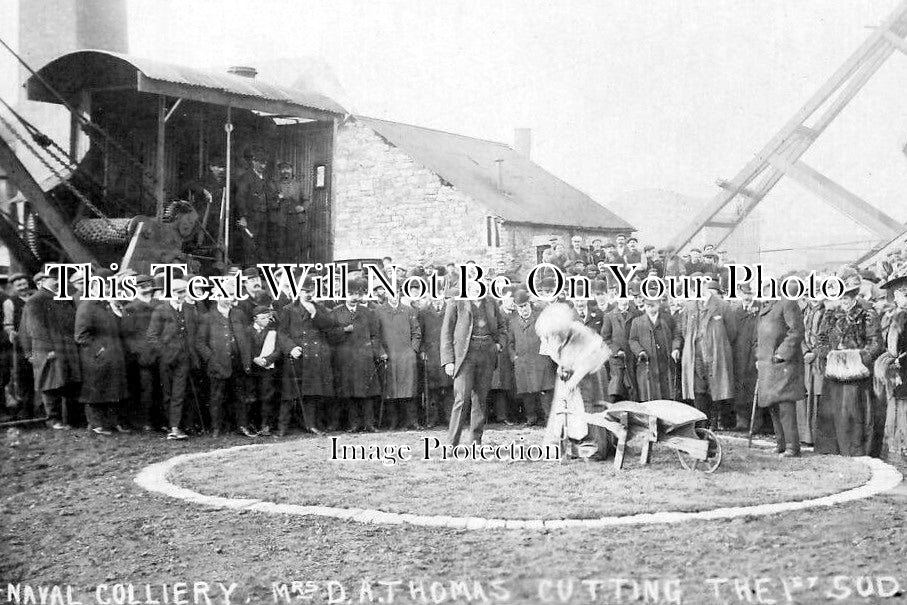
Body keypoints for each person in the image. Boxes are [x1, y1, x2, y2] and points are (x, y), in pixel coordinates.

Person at [814, 269, 883, 457]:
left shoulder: (867, 314)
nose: (844, 302)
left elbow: (876, 343)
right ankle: (832, 450)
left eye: (848, 297)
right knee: (833, 412)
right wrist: (827, 354)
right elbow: (821, 338)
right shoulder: (830, 314)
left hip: (856, 375)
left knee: (854, 414)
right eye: (841, 297)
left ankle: (856, 451)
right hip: (834, 373)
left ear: (854, 295)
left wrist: (858, 358)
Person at [538, 302, 612, 460]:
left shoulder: (579, 332)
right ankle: (568, 444)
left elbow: (587, 363)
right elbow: (557, 355)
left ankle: (596, 448)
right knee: (564, 407)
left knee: (590, 406)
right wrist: (562, 367)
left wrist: (572, 383)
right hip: (569, 372)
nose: (558, 335)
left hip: (592, 371)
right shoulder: (549, 334)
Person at [441, 280, 504, 445]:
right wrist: (448, 360)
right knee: (461, 398)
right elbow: (446, 333)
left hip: (486, 355)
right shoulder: (456, 303)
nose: (476, 290)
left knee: (480, 399)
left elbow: (502, 326)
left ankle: (476, 440)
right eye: (471, 287)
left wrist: (498, 344)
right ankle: (452, 443)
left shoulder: (491, 303)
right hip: (464, 357)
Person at [276, 278, 336, 436]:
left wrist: (314, 313)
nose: (307, 294)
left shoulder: (320, 308)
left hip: (314, 357)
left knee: (311, 394)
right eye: (303, 291)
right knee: (289, 394)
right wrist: (291, 348)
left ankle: (311, 425)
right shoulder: (288, 309)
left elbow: (329, 326)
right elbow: (282, 333)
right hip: (297, 355)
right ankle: (282, 427)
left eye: (310, 291)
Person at [25, 267, 82, 430]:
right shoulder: (36, 299)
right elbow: (36, 328)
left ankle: (72, 418)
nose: (57, 281)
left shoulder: (63, 297)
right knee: (51, 384)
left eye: (59, 278)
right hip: (50, 348)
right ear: (43, 281)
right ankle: (53, 419)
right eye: (53, 278)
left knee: (69, 381)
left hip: (67, 346)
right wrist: (47, 349)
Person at [679, 274, 736, 428]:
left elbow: (731, 332)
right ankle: (701, 424)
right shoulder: (689, 307)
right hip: (695, 357)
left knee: (716, 388)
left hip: (716, 355)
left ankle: (714, 423)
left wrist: (717, 343)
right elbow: (685, 331)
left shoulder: (722, 306)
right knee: (698, 390)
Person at [755, 288, 806, 457]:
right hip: (767, 365)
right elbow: (759, 338)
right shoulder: (765, 307)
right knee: (772, 405)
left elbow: (796, 331)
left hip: (783, 364)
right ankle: (781, 444)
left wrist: (781, 354)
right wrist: (759, 357)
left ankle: (792, 447)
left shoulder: (787, 303)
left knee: (785, 405)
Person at [196, 289, 253, 437]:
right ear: (217, 297)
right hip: (218, 364)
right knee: (217, 397)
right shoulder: (207, 317)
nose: (227, 299)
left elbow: (247, 337)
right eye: (224, 296)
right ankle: (216, 428)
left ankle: (242, 426)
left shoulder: (239, 314)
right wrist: (211, 359)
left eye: (231, 295)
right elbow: (200, 342)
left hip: (238, 363)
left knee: (240, 397)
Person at [146, 278, 199, 440]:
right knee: (168, 393)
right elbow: (152, 336)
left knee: (179, 392)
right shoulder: (160, 310)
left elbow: (193, 333)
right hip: (167, 360)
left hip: (184, 358)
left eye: (183, 292)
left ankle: (176, 427)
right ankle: (171, 426)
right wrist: (165, 353)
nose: (180, 295)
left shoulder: (190, 309)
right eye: (176, 292)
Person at [74, 285, 129, 436]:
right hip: (95, 357)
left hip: (112, 356)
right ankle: (96, 424)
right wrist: (99, 350)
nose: (107, 288)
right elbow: (80, 335)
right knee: (95, 391)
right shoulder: (87, 306)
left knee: (112, 390)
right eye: (103, 285)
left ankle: (111, 422)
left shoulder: (106, 305)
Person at [331, 280, 384, 432]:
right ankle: (354, 424)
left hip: (364, 358)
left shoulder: (368, 312)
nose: (354, 297)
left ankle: (369, 423)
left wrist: (373, 352)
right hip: (345, 358)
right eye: (351, 294)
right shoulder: (335, 312)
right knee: (349, 392)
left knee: (368, 392)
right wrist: (344, 330)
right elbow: (330, 335)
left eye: (357, 294)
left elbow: (375, 334)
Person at [374, 289, 422, 429]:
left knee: (409, 390)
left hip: (406, 356)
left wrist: (413, 350)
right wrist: (381, 352)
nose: (394, 296)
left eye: (396, 293)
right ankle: (393, 422)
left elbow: (416, 332)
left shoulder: (408, 311)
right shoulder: (379, 311)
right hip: (389, 356)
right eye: (391, 293)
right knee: (391, 390)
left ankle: (411, 421)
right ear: (386, 294)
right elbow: (375, 335)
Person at [508, 289, 556, 425]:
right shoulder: (513, 322)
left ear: (530, 304)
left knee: (545, 391)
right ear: (516, 308)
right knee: (526, 392)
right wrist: (514, 357)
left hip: (540, 360)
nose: (523, 309)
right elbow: (510, 343)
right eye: (520, 307)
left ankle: (548, 418)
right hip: (522, 362)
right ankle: (531, 418)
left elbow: (549, 336)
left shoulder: (540, 317)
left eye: (525, 306)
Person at [876, 269, 907, 460]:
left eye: (903, 293)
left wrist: (898, 360)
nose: (900, 297)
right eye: (898, 294)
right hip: (897, 369)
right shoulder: (894, 316)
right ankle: (900, 447)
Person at [628, 296, 681, 401]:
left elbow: (677, 336)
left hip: (665, 365)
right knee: (650, 396)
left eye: (653, 306)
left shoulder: (668, 319)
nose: (650, 309)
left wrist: (676, 349)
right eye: (647, 306)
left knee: (668, 396)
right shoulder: (637, 322)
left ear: (658, 304)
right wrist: (640, 351)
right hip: (648, 365)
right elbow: (632, 340)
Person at [600, 288, 640, 402]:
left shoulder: (637, 314)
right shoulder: (609, 316)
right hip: (617, 358)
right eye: (621, 297)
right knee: (616, 387)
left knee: (633, 388)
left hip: (633, 357)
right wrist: (616, 351)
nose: (624, 301)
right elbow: (605, 339)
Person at [4, 273, 35, 418]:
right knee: (24, 377)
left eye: (24, 284)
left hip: (40, 342)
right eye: (19, 285)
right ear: (14, 287)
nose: (23, 287)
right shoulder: (10, 303)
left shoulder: (36, 297)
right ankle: (27, 410)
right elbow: (8, 324)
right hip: (22, 345)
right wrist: (12, 333)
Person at [247, 306, 282, 436]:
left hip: (268, 369)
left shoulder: (273, 331)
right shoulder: (248, 331)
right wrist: (254, 359)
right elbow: (245, 348)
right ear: (255, 319)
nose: (267, 320)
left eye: (268, 317)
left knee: (267, 396)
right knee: (252, 396)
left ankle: (266, 424)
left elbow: (278, 350)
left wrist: (267, 360)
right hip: (252, 369)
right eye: (263, 318)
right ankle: (252, 424)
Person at [731, 284, 761, 431]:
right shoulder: (735, 311)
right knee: (740, 387)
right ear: (739, 293)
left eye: (750, 294)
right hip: (739, 355)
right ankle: (741, 420)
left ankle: (756, 422)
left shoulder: (760, 309)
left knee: (753, 387)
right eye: (745, 294)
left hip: (755, 354)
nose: (748, 297)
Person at [273, 161, 308, 261]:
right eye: (283, 169)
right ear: (279, 171)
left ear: (291, 170)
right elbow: (271, 203)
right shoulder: (276, 185)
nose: (285, 171)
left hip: (295, 220)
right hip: (281, 220)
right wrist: (278, 198)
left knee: (295, 246)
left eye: (287, 168)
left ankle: (294, 270)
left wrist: (302, 207)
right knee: (281, 246)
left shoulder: (298, 185)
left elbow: (306, 200)